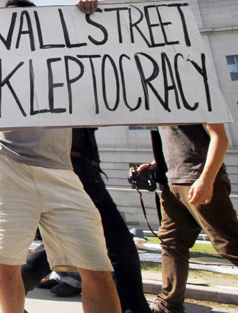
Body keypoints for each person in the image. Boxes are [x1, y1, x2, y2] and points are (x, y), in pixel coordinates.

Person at [0, 0, 121, 313]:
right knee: (5, 260)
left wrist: (85, 18)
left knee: (97, 265)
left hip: (61, 172)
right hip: (6, 166)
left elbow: (98, 57)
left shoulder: (62, 57)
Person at [22, 128, 150, 312]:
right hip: (73, 165)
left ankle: (12, 287)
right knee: (118, 245)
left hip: (75, 164)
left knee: (59, 243)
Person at [137, 124, 238, 313]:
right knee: (171, 244)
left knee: (230, 245)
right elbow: (176, 141)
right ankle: (168, 305)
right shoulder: (161, 105)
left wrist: (206, 179)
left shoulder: (196, 95)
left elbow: (220, 137)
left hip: (199, 178)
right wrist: (155, 164)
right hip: (172, 183)